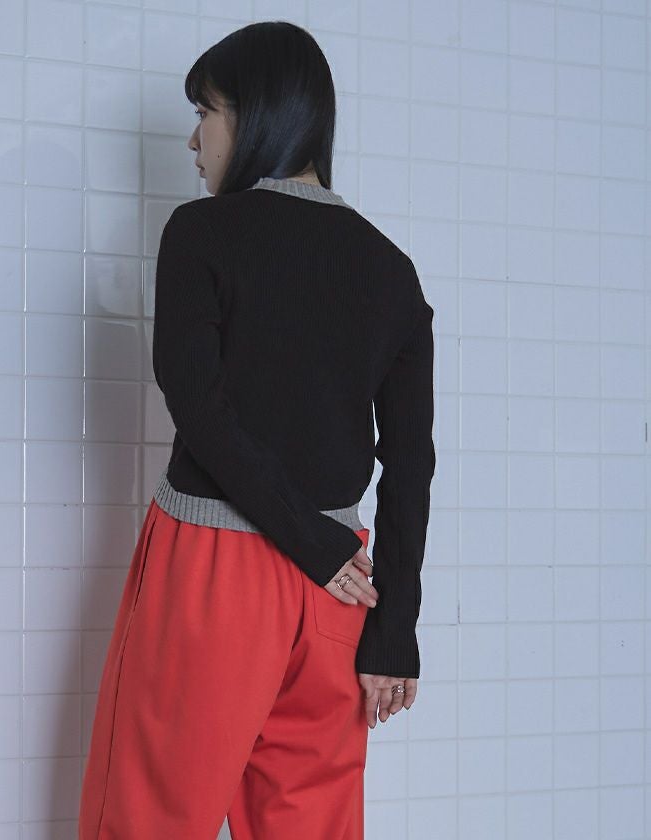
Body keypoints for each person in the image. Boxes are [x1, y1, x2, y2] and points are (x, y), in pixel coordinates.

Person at [78, 19, 436, 840]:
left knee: (151, 817)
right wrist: (394, 629)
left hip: (219, 572)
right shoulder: (391, 269)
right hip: (340, 589)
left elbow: (197, 404)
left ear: (257, 115)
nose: (194, 140)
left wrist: (312, 546)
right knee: (310, 825)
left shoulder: (202, 234)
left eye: (205, 113)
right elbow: (411, 464)